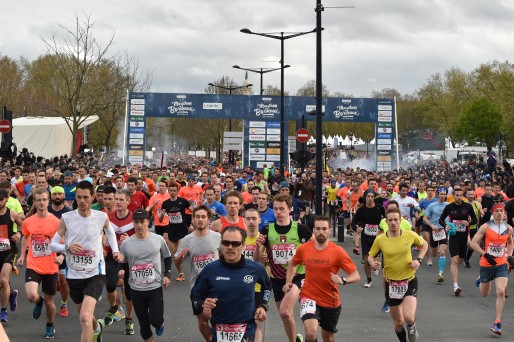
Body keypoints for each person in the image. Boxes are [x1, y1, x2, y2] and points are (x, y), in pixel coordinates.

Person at [50, 180, 121, 342]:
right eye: (79, 197)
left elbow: (110, 233)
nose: (82, 201)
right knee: (87, 318)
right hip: (74, 275)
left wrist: (115, 251)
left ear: (93, 197)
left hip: (95, 272)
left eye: (85, 197)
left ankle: (93, 329)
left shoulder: (101, 217)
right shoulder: (67, 218)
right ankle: (97, 328)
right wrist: (67, 247)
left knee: (84, 318)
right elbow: (52, 245)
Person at [284, 216, 360, 342]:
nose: (321, 232)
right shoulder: (304, 248)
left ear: (329, 231)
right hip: (308, 295)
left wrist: (343, 280)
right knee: (311, 333)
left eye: (324, 229)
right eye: (318, 229)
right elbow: (293, 263)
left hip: (330, 300)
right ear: (313, 230)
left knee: (328, 336)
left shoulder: (338, 251)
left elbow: (356, 275)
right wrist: (288, 282)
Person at [191, 226, 271, 342]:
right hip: (218, 330)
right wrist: (204, 305)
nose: (230, 247)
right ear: (221, 245)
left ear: (243, 246)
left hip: (246, 331)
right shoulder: (210, 270)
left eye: (235, 244)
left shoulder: (255, 268)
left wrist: (263, 305)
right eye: (226, 243)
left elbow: (267, 286)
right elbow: (196, 296)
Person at [254, 193, 313, 342]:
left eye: (282, 209)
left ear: (290, 209)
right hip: (276, 277)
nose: (278, 212)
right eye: (275, 209)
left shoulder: (300, 228)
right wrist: (258, 246)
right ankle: (295, 338)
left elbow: (316, 247)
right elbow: (257, 259)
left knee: (285, 311)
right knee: (286, 314)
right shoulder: (267, 230)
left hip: (297, 277)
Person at [368, 207, 428, 342]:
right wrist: (373, 263)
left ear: (400, 220)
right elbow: (371, 256)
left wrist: (418, 260)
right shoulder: (380, 239)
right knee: (399, 323)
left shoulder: (409, 235)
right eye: (390, 220)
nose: (393, 223)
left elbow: (424, 244)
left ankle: (412, 326)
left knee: (409, 317)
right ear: (386, 222)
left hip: (409, 280)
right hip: (391, 284)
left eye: (396, 219)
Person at [119, 209, 172, 341]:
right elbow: (123, 262)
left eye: (142, 221)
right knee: (143, 325)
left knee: (155, 320)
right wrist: (121, 270)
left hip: (154, 287)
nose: (139, 225)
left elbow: (167, 257)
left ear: (148, 222)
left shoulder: (158, 239)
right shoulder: (126, 244)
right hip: (136, 289)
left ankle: (160, 323)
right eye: (136, 222)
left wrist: (167, 275)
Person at [174, 205, 221, 342]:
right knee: (202, 321)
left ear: (208, 220)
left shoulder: (217, 237)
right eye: (197, 217)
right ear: (193, 220)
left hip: (217, 285)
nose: (200, 220)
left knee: (218, 320)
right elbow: (177, 262)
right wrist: (179, 259)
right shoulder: (187, 239)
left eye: (203, 217)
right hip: (198, 287)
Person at [17, 188, 60, 338]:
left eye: (44, 199)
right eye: (38, 200)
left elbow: (63, 242)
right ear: (34, 202)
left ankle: (50, 324)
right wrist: (22, 255)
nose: (41, 202)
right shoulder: (29, 221)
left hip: (50, 266)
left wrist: (62, 256)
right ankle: (38, 301)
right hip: (33, 264)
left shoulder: (56, 222)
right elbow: (25, 238)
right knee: (30, 295)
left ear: (48, 201)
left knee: (50, 302)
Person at [470, 202, 513, 336]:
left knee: (501, 292)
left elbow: (511, 242)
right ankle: (480, 279)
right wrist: (485, 254)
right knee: (484, 294)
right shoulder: (485, 227)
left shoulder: (509, 228)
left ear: (504, 213)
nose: (499, 213)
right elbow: (473, 243)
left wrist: (510, 257)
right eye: (496, 211)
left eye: (501, 211)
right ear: (492, 213)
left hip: (501, 264)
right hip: (487, 264)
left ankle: (497, 322)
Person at [104, 189, 135, 335]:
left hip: (129, 258)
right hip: (112, 256)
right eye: (116, 199)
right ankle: (114, 306)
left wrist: (130, 241)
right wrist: (104, 247)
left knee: (129, 294)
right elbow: (102, 235)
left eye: (122, 199)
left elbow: (144, 238)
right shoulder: (107, 217)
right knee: (110, 286)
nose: (118, 202)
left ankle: (129, 320)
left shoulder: (135, 218)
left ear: (128, 201)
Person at [438, 187, 478, 296]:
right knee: (454, 260)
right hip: (454, 237)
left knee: (460, 259)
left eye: (461, 195)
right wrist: (446, 225)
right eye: (457, 195)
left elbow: (475, 219)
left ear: (463, 196)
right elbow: (441, 219)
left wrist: (468, 223)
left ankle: (460, 264)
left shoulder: (468, 206)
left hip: (464, 237)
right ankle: (455, 286)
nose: (459, 197)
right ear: (453, 195)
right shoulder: (449, 207)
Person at [47, 185, 72, 317]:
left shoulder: (69, 212)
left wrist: (64, 252)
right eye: (54, 194)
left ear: (64, 196)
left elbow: (71, 235)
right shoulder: (46, 210)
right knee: (48, 280)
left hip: (63, 249)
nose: (57, 196)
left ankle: (63, 303)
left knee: (63, 281)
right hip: (47, 250)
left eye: (59, 194)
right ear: (51, 196)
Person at [352, 190, 385, 288]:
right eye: (368, 196)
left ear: (374, 197)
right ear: (365, 198)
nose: (370, 198)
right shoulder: (361, 210)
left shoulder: (380, 208)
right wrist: (356, 228)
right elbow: (353, 223)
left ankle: (375, 265)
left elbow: (386, 220)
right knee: (366, 259)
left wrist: (383, 229)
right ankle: (369, 279)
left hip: (378, 237)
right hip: (366, 237)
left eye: (372, 196)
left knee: (375, 257)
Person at [159, 182, 191, 282]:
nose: (172, 192)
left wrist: (192, 223)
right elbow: (160, 220)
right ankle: (181, 273)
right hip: (171, 230)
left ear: (177, 191)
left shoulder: (183, 201)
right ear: (168, 191)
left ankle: (184, 256)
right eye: (171, 191)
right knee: (174, 256)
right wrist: (162, 214)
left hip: (182, 230)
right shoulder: (166, 203)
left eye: (174, 191)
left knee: (179, 254)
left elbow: (193, 211)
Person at [0, 189, 23, 323]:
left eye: (1, 199)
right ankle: (11, 295)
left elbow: (22, 224)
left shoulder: (11, 213)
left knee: (3, 279)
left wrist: (19, 234)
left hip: (9, 250)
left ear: (6, 200)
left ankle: (3, 312)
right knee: (3, 280)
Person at [423, 188, 449, 283]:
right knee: (434, 254)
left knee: (442, 252)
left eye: (444, 194)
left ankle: (440, 273)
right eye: (441, 194)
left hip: (444, 230)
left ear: (446, 195)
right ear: (438, 195)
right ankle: (433, 252)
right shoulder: (432, 206)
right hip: (434, 230)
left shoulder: (448, 205)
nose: (443, 196)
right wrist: (431, 225)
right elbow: (425, 218)